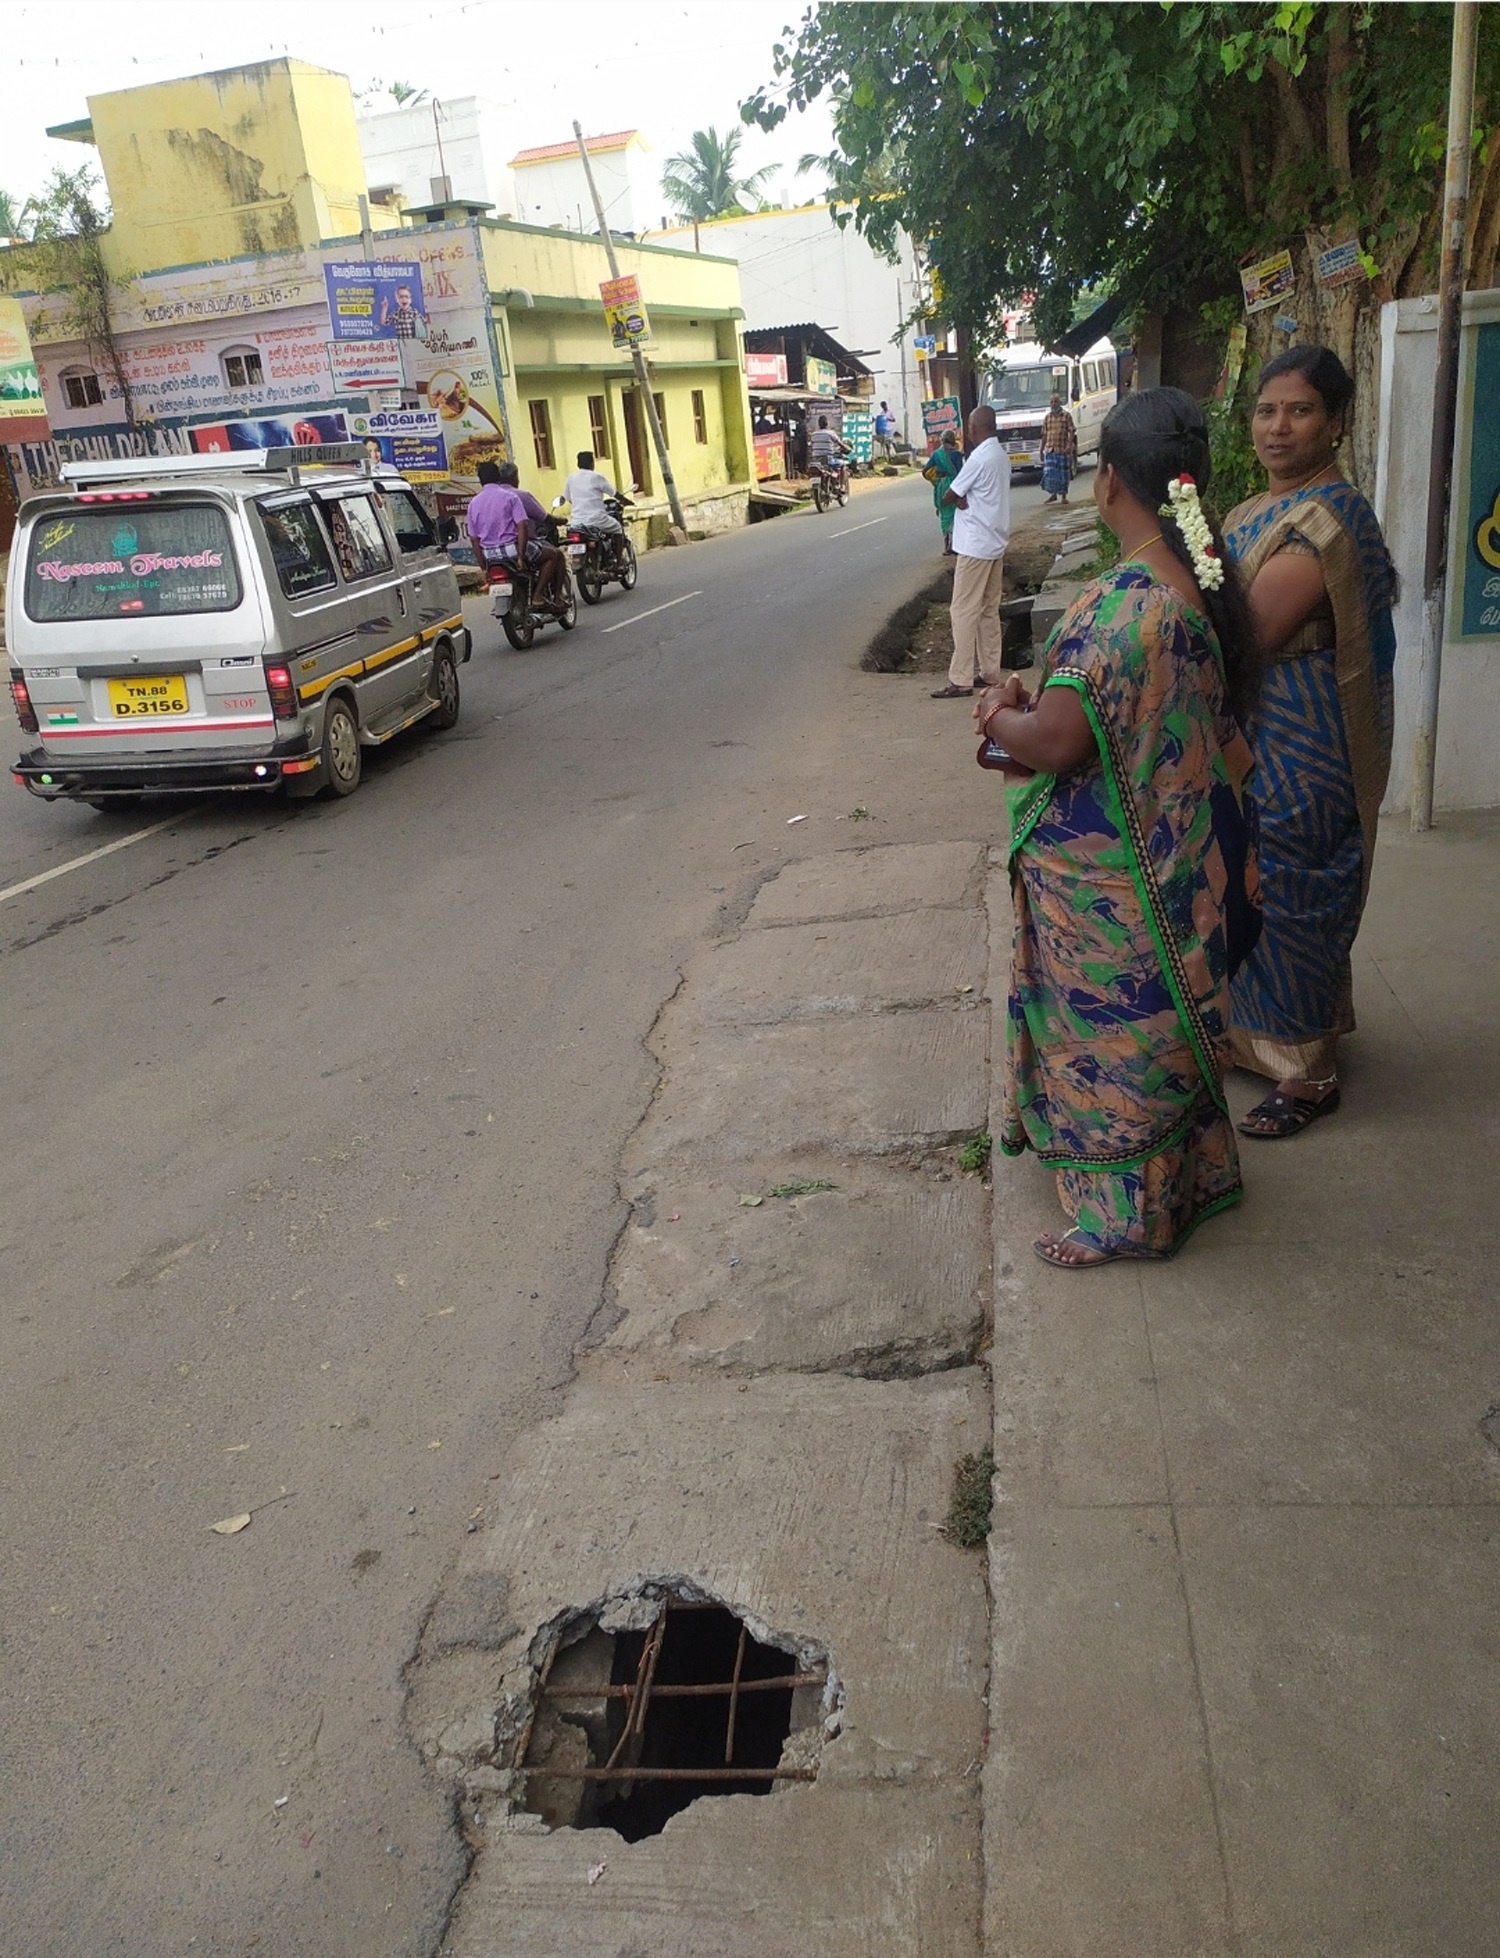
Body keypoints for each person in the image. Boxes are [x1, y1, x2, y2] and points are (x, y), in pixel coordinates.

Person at [973, 387, 1261, 1266]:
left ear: (1108, 485)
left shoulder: (1120, 606)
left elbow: (1056, 739)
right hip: (1185, 855)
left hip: (1115, 880)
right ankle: (1194, 1174)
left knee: (1117, 1034)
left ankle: (1124, 1219)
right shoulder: (1204, 580)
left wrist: (996, 714)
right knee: (1172, 1027)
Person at [1222, 345, 1398, 1138]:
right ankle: (1257, 1038)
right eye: (1267, 410)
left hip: (1307, 732)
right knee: (1245, 874)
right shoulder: (1241, 515)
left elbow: (1253, 627)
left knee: (1295, 877)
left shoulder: (1330, 515)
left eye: (1299, 411)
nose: (1278, 427)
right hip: (1253, 727)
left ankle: (1309, 1071)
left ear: (1334, 424)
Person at [933, 404, 1010, 697]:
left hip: (975, 544)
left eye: (969, 426)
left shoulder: (978, 458)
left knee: (963, 610)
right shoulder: (999, 455)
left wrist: (958, 498)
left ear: (975, 428)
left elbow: (949, 495)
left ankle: (961, 678)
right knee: (988, 609)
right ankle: (990, 672)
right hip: (994, 541)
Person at [499, 460, 566, 609]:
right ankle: (543, 596)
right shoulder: (520, 496)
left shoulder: (490, 498)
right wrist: (561, 521)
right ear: (515, 478)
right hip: (519, 545)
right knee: (555, 555)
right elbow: (544, 518)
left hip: (494, 550)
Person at [562, 450, 624, 538]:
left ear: (578, 464)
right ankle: (618, 552)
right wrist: (625, 500)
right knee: (617, 528)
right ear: (591, 463)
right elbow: (614, 493)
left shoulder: (571, 478)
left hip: (577, 522)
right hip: (597, 520)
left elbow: (568, 498)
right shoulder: (597, 477)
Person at [926, 429, 963, 555]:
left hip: (941, 486)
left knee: (944, 515)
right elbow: (961, 473)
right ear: (953, 440)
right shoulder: (957, 455)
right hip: (954, 485)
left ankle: (946, 545)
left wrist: (936, 480)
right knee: (956, 515)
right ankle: (956, 545)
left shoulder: (936, 454)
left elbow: (925, 471)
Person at [1040, 392, 1078, 503]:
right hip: (1050, 449)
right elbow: (1044, 435)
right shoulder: (1047, 418)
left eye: (1055, 401)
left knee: (1063, 474)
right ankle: (1053, 495)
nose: (1053, 404)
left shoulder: (1066, 416)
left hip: (1062, 449)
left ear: (1060, 402)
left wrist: (1069, 445)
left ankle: (1064, 497)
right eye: (1051, 402)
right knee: (1051, 473)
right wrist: (1041, 450)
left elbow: (1071, 431)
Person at [807, 415, 849, 487]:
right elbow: (840, 443)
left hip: (815, 460)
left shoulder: (813, 434)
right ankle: (841, 486)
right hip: (828, 459)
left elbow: (811, 447)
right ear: (827, 423)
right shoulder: (831, 433)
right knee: (843, 465)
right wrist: (847, 448)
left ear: (819, 424)